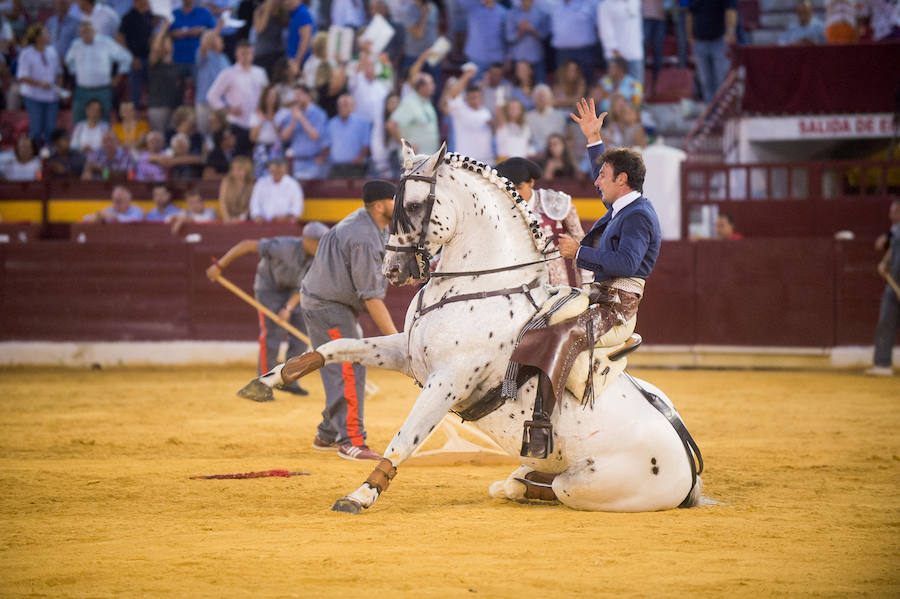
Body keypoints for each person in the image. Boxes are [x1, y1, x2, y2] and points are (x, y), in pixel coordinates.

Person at [512, 98, 660, 456]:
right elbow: (605, 179)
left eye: (603, 176)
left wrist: (578, 252)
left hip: (617, 308)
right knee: (540, 317)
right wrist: (595, 139)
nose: (597, 182)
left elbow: (626, 262)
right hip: (600, 297)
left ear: (621, 181)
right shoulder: (625, 207)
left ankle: (541, 426)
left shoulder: (637, 215)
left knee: (564, 336)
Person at [299, 180, 399, 459]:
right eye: (395, 200)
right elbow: (371, 298)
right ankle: (350, 440)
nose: (399, 204)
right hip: (328, 307)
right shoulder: (363, 236)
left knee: (338, 365)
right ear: (380, 206)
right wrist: (396, 340)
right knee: (350, 365)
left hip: (325, 302)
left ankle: (328, 433)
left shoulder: (368, 224)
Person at [208, 221, 328, 394]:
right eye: (318, 243)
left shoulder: (319, 258)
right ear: (307, 240)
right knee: (272, 332)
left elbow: (306, 288)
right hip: (269, 289)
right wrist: (220, 265)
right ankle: (263, 384)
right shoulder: (283, 247)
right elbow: (247, 245)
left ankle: (289, 380)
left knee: (301, 332)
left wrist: (288, 307)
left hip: (295, 292)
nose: (321, 247)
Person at [496, 156, 591, 286]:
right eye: (509, 188)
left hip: (557, 282)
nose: (514, 193)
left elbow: (580, 243)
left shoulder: (555, 202)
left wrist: (586, 284)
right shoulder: (499, 207)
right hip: (518, 282)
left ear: (531, 182)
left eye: (519, 187)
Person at [206, 39, 269, 156]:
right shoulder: (228, 73)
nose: (246, 56)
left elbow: (266, 95)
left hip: (256, 122)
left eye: (248, 53)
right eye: (242, 53)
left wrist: (263, 112)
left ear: (253, 54)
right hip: (236, 122)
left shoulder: (260, 72)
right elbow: (212, 95)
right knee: (237, 156)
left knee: (256, 156)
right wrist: (227, 109)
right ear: (237, 53)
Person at [65, 20, 132, 122]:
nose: (86, 34)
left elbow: (126, 58)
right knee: (79, 121)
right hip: (82, 90)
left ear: (94, 31)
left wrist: (118, 78)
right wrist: (76, 73)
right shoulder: (76, 45)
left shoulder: (105, 43)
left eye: (88, 31)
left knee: (104, 122)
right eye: (83, 32)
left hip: (102, 90)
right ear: (79, 34)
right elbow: (68, 61)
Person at [867, 198, 900, 376]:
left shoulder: (895, 232)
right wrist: (885, 262)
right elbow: (893, 248)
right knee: (886, 322)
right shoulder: (895, 232)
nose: (891, 214)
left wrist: (886, 237)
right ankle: (882, 364)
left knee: (886, 322)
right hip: (893, 284)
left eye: (895, 211)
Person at [16, 24, 62, 148]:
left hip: (51, 97)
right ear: (37, 38)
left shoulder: (52, 51)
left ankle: (49, 155)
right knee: (36, 129)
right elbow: (22, 76)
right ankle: (34, 154)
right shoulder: (26, 53)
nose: (48, 36)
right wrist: (40, 84)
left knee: (50, 129)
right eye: (45, 34)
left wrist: (60, 87)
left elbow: (58, 71)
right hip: (33, 96)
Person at [686, 0, 737, 103]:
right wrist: (690, 36)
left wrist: (730, 32)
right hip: (700, 42)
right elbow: (689, 15)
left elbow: (731, 11)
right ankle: (709, 110)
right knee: (705, 80)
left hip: (718, 41)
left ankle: (720, 110)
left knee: (720, 77)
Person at [443, 66, 494, 164]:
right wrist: (466, 76)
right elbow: (451, 95)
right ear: (467, 98)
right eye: (472, 97)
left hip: (486, 160)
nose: (475, 100)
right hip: (465, 160)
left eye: (477, 97)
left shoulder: (486, 112)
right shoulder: (460, 108)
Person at [279, 83, 328, 179]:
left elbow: (315, 136)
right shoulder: (293, 113)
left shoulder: (319, 113)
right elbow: (284, 137)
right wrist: (293, 120)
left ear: (308, 96)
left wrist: (301, 118)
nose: (296, 98)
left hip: (312, 162)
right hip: (295, 161)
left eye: (299, 95)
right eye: (295, 96)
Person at [548, 0, 602, 83]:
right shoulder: (553, 4)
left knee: (587, 81)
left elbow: (599, 25)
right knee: (563, 82)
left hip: (584, 51)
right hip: (562, 52)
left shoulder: (589, 3)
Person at [386, 71, 439, 156]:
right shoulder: (410, 102)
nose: (434, 86)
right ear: (421, 87)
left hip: (428, 158)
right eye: (430, 83)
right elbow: (391, 125)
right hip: (413, 160)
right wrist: (407, 147)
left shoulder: (427, 102)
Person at [323, 94, 371, 178]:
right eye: (340, 105)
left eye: (345, 105)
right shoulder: (331, 123)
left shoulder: (363, 123)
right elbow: (327, 145)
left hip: (355, 168)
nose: (342, 107)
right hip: (336, 167)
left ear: (353, 106)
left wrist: (360, 157)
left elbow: (366, 144)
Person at [117, 0, 155, 107]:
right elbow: (119, 38)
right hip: (134, 59)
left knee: (153, 88)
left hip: (150, 58)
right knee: (135, 91)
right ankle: (135, 114)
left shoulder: (151, 16)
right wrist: (131, 58)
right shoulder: (128, 17)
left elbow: (154, 36)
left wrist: (154, 55)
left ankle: (150, 111)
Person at [147, 24, 183, 133]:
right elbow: (155, 50)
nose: (168, 44)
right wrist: (164, 27)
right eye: (164, 42)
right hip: (158, 106)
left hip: (173, 107)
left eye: (169, 42)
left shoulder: (175, 65)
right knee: (158, 138)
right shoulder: (155, 63)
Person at [597, 0, 644, 83]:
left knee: (636, 91)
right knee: (617, 91)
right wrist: (616, 53)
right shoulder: (605, 5)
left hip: (635, 54)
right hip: (615, 57)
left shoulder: (635, 2)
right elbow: (605, 31)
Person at [458, 0, 507, 76]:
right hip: (476, 57)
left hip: (496, 58)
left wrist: (508, 56)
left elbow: (506, 37)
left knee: (494, 87)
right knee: (475, 86)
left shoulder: (503, 12)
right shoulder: (473, 7)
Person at [170, 0, 216, 82]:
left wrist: (202, 31)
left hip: (198, 61)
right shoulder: (174, 14)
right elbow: (165, 35)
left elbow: (214, 32)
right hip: (177, 59)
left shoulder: (203, 12)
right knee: (176, 91)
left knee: (199, 88)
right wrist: (175, 34)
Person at [505, 0, 549, 84]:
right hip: (519, 59)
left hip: (536, 58)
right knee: (520, 87)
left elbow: (545, 35)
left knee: (540, 86)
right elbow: (509, 37)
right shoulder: (512, 14)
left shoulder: (541, 14)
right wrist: (520, 31)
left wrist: (532, 30)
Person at [249, 156, 304, 222]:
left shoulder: (293, 185)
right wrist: (257, 216)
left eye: (279, 171)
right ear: (269, 169)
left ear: (286, 170)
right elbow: (254, 204)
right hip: (263, 223)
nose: (277, 172)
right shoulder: (261, 183)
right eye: (274, 171)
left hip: (285, 224)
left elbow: (297, 208)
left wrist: (285, 218)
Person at [526, 84, 567, 156]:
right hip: (534, 151)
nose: (540, 99)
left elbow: (559, 137)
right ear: (533, 99)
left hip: (552, 150)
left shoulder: (558, 116)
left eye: (543, 96)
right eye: (538, 97)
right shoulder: (528, 117)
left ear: (549, 98)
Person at [217, 155, 254, 220]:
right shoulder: (227, 181)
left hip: (246, 220)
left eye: (239, 169)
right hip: (228, 219)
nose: (236, 172)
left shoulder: (251, 184)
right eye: (233, 169)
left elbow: (252, 205)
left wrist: (241, 218)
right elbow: (222, 201)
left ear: (247, 170)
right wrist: (226, 217)